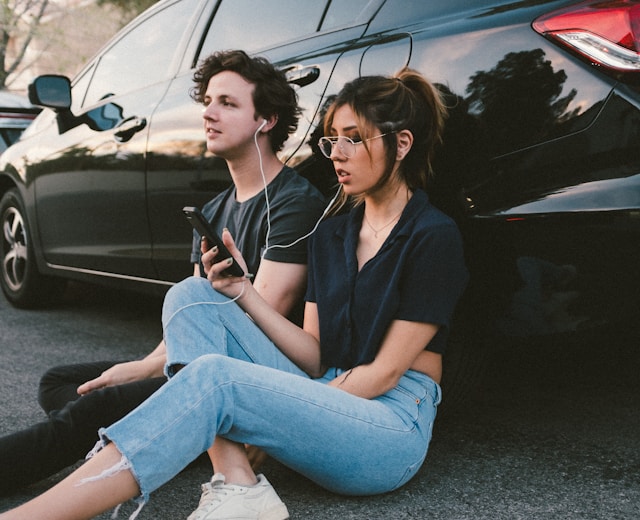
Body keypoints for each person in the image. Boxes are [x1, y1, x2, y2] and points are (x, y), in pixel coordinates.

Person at [0, 66, 468, 520]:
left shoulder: (432, 235)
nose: (338, 154)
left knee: (216, 380)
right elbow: (313, 356)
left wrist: (272, 414)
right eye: (332, 140)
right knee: (191, 296)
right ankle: (237, 481)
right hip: (329, 393)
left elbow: (384, 375)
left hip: (388, 427)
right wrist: (242, 291)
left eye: (354, 138)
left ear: (401, 143)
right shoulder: (333, 234)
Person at [0, 49, 326, 494]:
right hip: (200, 359)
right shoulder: (213, 210)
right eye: (208, 101)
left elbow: (253, 325)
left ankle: (168, 434)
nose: (209, 113)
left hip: (248, 375)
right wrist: (144, 366)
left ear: (266, 120)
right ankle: (172, 438)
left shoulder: (294, 202)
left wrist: (147, 374)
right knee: (61, 383)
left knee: (89, 410)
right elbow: (188, 313)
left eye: (227, 103)